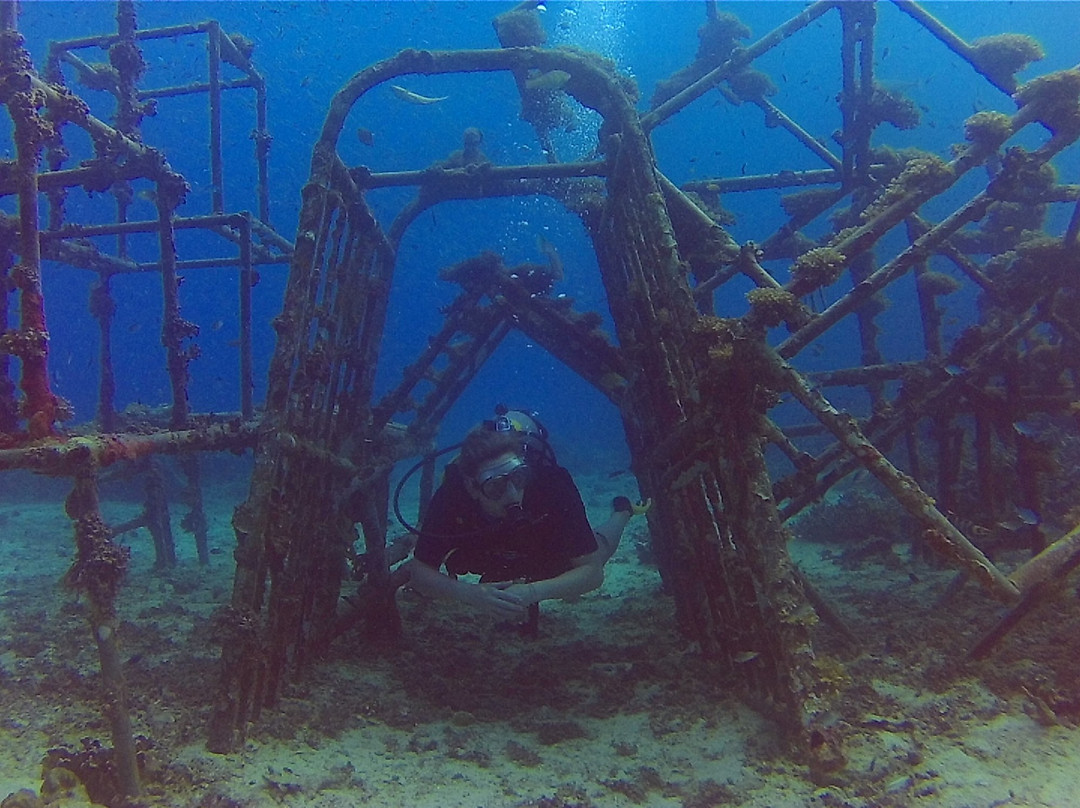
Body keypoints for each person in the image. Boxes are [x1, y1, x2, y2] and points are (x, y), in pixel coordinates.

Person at [406, 408, 648, 629]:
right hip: (484, 552)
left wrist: (532, 592)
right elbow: (419, 573)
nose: (512, 494)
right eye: (495, 487)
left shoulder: (550, 484)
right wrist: (469, 594)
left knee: (599, 549)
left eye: (519, 478)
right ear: (471, 487)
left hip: (543, 546)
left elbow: (592, 572)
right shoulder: (453, 494)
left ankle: (622, 512)